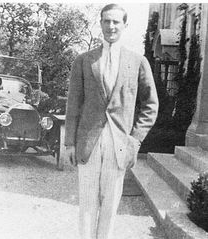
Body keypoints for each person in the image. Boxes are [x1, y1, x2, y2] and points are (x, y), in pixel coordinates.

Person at [65, 4, 159, 239]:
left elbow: (151, 105)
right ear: (101, 24)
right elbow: (74, 103)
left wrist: (134, 141)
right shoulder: (84, 61)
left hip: (119, 144)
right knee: (87, 204)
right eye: (107, 21)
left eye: (116, 22)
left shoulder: (138, 61)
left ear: (125, 25)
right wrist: (69, 143)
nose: (111, 26)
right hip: (88, 142)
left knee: (110, 207)